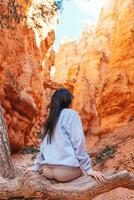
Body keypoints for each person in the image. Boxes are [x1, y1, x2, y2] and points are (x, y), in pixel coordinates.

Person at [33, 88, 106, 182]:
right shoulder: (71, 114)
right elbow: (79, 142)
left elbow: (43, 147)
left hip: (48, 171)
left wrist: (36, 166)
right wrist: (88, 169)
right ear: (67, 101)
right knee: (84, 175)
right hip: (65, 172)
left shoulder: (51, 118)